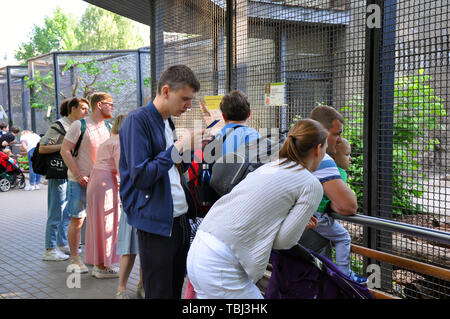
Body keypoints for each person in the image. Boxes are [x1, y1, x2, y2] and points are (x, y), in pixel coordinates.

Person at [186, 119, 327, 299]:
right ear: (318, 149)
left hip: (200, 248)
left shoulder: (271, 166)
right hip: (222, 264)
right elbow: (285, 241)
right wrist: (297, 227)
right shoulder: (310, 184)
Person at [119, 65, 205, 299]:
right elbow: (141, 175)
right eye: (185, 99)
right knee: (159, 291)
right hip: (155, 222)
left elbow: (173, 170)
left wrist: (193, 149)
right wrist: (178, 148)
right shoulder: (138, 120)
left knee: (174, 287)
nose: (188, 106)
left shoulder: (168, 122)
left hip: (178, 219)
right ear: (166, 91)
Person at [307, 106, 365, 283]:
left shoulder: (296, 151)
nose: (340, 140)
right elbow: (348, 206)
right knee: (342, 236)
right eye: (337, 134)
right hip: (311, 223)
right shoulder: (323, 159)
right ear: (322, 132)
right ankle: (344, 277)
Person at [61, 92, 113, 274]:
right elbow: (65, 150)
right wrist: (79, 174)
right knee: (78, 219)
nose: (112, 107)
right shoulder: (79, 125)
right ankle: (75, 259)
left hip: (102, 182)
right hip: (79, 181)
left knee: (101, 221)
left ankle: (99, 261)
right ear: (99, 105)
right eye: (109, 104)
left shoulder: (108, 126)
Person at [40, 98, 89, 261]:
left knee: (67, 211)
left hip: (71, 174)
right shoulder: (59, 126)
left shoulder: (79, 125)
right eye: (83, 108)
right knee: (56, 211)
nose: (86, 111)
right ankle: (49, 249)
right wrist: (65, 147)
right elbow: (43, 147)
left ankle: (62, 243)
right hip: (59, 173)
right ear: (72, 109)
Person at [85, 114, 126, 279]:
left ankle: (98, 264)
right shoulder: (120, 142)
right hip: (105, 182)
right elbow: (121, 168)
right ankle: (103, 266)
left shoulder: (108, 140)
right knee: (108, 223)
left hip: (95, 180)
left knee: (96, 222)